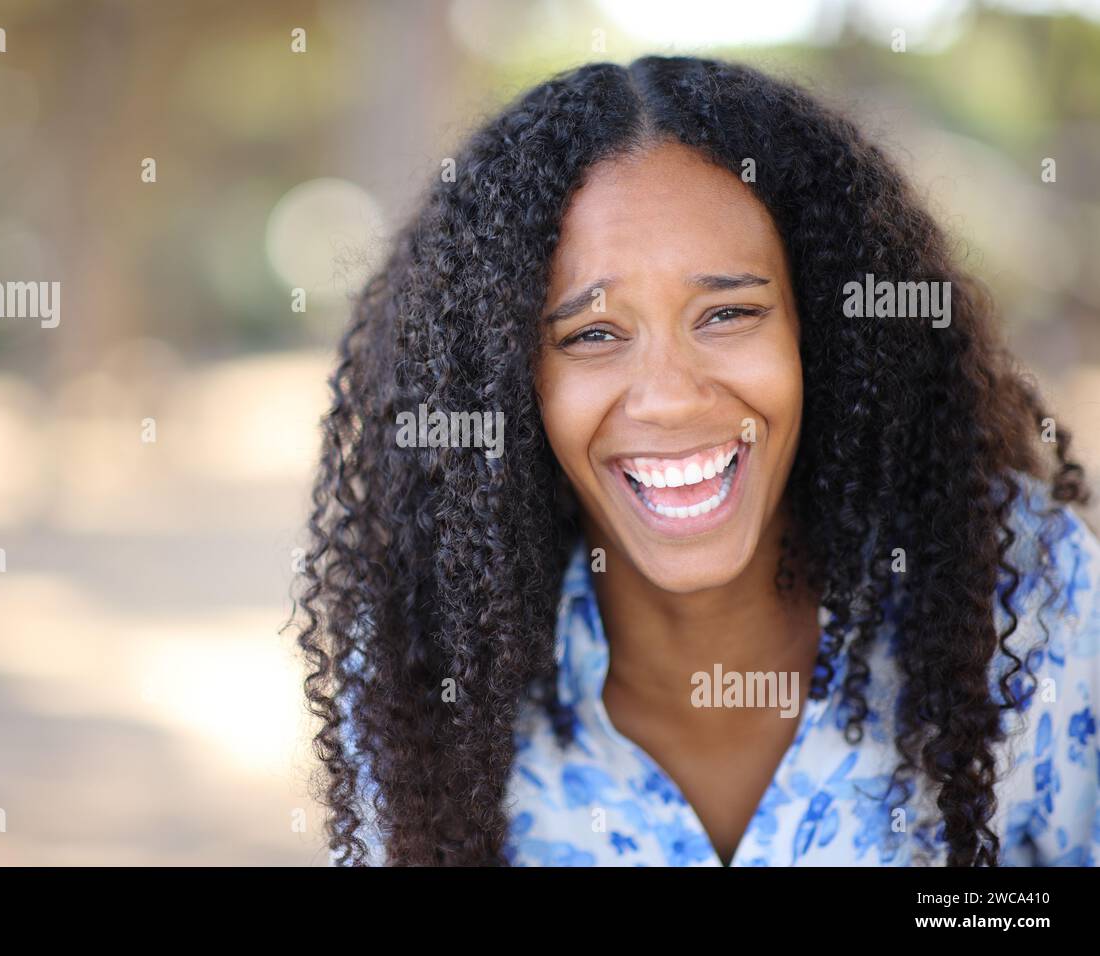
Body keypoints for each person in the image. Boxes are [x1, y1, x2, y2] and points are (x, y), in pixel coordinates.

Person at [293, 55, 1099, 866]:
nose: (670, 398)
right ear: (506, 384)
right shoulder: (428, 659)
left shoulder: (1026, 594)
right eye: (593, 334)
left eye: (727, 313)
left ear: (819, 332)